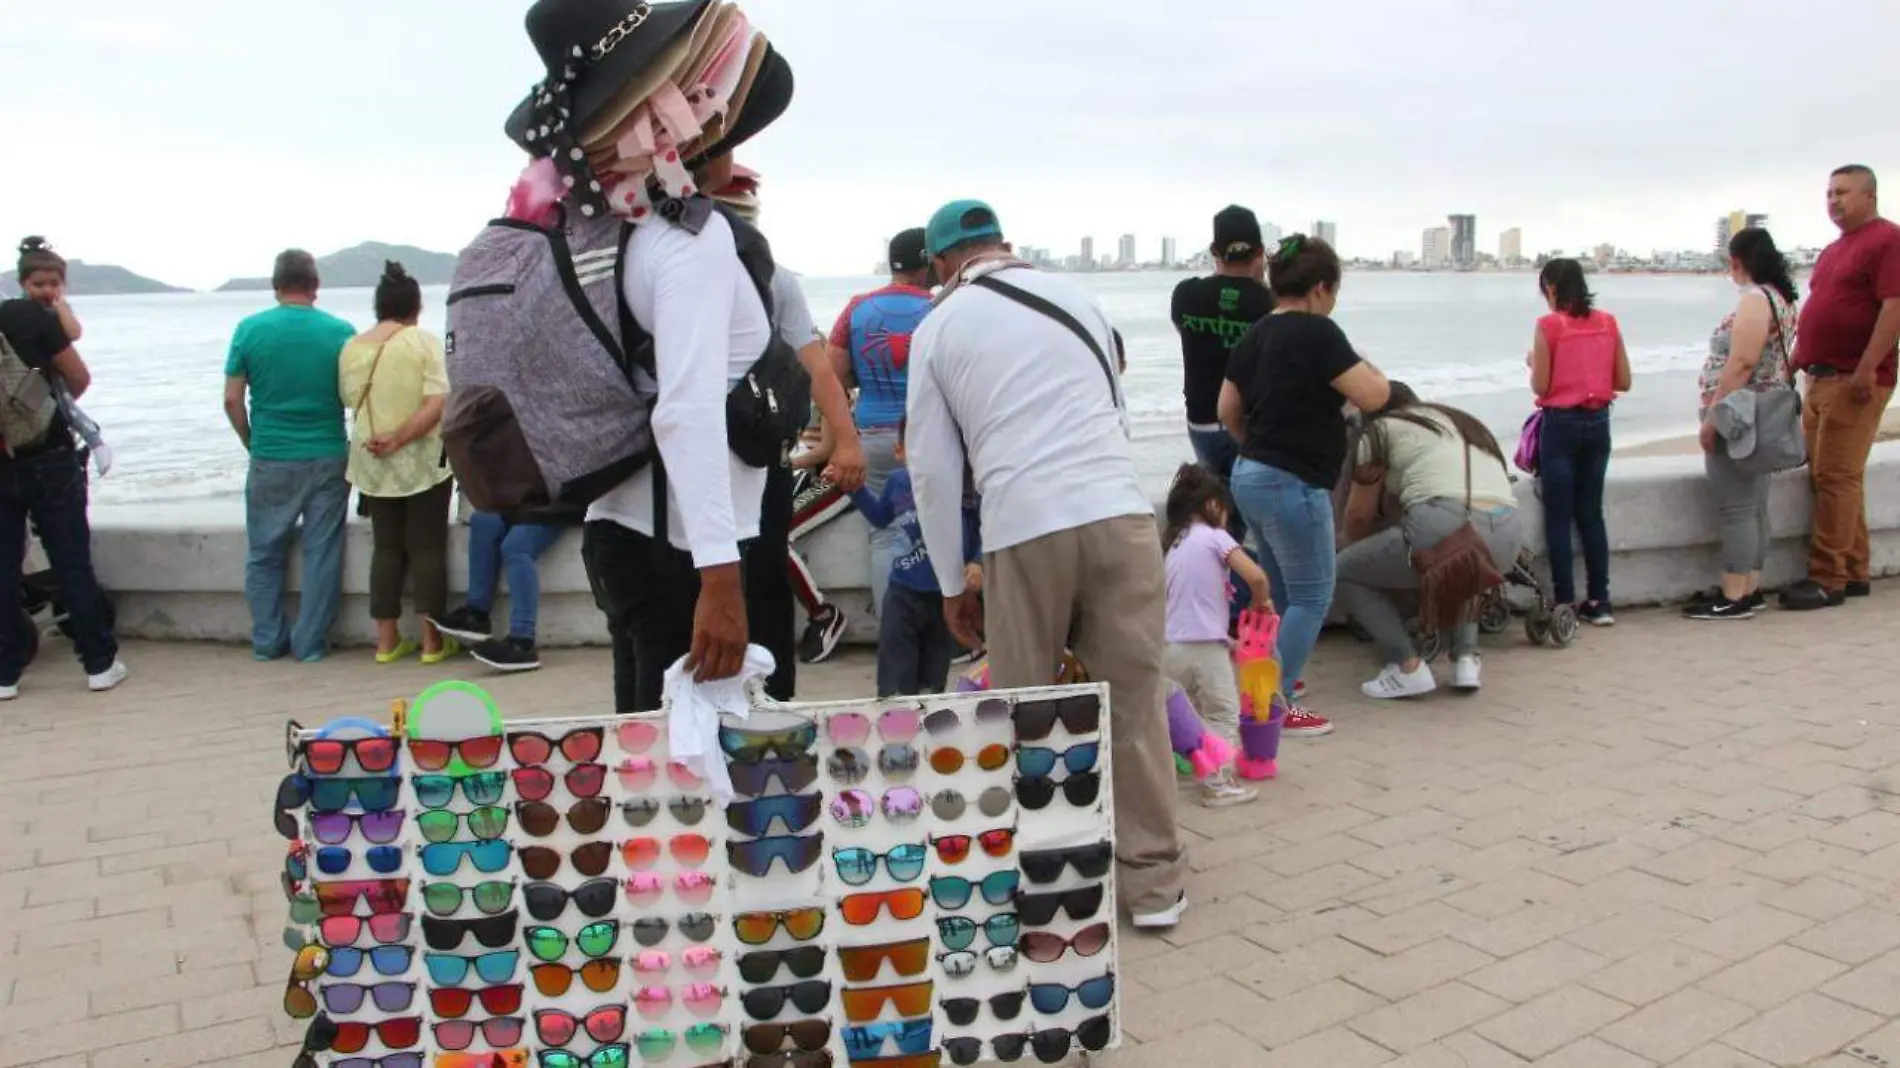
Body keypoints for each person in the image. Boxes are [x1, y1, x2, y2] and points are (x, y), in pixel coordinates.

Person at [499, 0, 797, 712]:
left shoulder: (601, 230)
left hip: (620, 529)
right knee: (705, 786)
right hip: (690, 549)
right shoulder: (687, 239)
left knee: (650, 773)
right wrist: (721, 582)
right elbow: (686, 412)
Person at [907, 198, 1189, 929]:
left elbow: (932, 472)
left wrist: (949, 580)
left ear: (941, 263)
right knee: (1134, 707)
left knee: (1029, 712)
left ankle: (1045, 885)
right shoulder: (1080, 299)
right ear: (1003, 243)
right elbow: (1115, 414)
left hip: (1024, 526)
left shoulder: (938, 326)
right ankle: (1155, 886)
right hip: (1121, 516)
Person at [1219, 234, 1391, 738]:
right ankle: (1275, 702)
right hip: (1292, 480)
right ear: (1321, 288)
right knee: (1314, 594)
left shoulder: (1255, 335)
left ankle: (1259, 687)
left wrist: (1259, 444)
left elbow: (1226, 410)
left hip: (1249, 473)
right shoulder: (1319, 333)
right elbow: (1374, 395)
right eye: (1334, 292)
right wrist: (1366, 362)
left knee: (1278, 594)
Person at [704, 159, 864, 697]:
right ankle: (767, 695)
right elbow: (816, 367)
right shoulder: (776, 278)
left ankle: (767, 694)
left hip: (735, 455)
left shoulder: (773, 280)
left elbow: (818, 367)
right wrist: (846, 439)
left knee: (761, 573)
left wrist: (846, 440)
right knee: (759, 575)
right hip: (747, 453)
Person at [0, 238, 126, 696]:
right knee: (71, 560)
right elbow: (79, 378)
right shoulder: (38, 318)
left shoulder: (8, 312)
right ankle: (98, 664)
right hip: (48, 456)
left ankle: (6, 674)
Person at [1337, 383, 1520, 696]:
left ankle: (1407, 667)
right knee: (1459, 562)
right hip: (1508, 532)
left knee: (1344, 570)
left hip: (1446, 522)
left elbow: (1358, 516)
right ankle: (1465, 661)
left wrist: (1361, 550)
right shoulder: (1462, 422)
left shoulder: (1378, 432)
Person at [223, 249, 355, 662]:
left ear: (275, 284)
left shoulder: (249, 329)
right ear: (315, 286)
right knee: (322, 553)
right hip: (328, 453)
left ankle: (267, 641)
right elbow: (354, 397)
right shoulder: (341, 331)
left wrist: (251, 441)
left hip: (271, 454)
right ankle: (310, 643)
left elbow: (231, 400)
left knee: (264, 553)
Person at [1783, 165, 1900, 611]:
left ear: (1869, 196)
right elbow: (1818, 309)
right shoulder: (1833, 250)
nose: (1833, 200)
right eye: (1829, 192)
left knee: (1835, 477)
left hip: (1855, 379)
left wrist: (1868, 369)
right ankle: (1853, 570)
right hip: (1819, 375)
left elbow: (1894, 307)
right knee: (1834, 477)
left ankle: (1827, 579)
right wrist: (1796, 360)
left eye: (1843, 192)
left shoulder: (1888, 240)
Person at [340, 262, 454, 664]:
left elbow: (349, 402)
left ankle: (386, 643)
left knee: (386, 549)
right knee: (427, 548)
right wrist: (401, 437)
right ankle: (431, 643)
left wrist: (384, 438)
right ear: (416, 307)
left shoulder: (352, 348)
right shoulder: (423, 343)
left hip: (371, 462)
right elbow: (437, 403)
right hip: (422, 462)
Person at [1687, 229, 1801, 621]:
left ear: (1737, 260)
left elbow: (1742, 363)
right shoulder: (1782, 299)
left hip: (1740, 419)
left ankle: (1733, 595)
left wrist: (1714, 418)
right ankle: (1749, 588)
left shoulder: (1755, 300)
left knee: (1737, 508)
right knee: (1754, 508)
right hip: (1763, 416)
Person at [828, 228, 935, 631]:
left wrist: (840, 440)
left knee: (885, 534)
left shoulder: (857, 308)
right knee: (941, 531)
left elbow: (830, 376)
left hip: (870, 433)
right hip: (925, 436)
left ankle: (894, 630)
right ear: (926, 262)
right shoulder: (940, 306)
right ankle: (946, 634)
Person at [1530, 258, 1631, 625]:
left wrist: (1535, 362)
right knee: (1591, 513)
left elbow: (1541, 386)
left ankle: (1565, 601)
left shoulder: (1549, 326)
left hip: (1560, 424)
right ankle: (1600, 600)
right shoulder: (1607, 322)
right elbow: (1623, 380)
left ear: (1552, 287)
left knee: (1558, 515)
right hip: (1599, 420)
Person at [1159, 463, 1266, 808]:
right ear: (1213, 505)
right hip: (1202, 648)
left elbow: (1189, 604)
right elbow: (1257, 578)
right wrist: (1261, 605)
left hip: (1171, 647)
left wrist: (1227, 639)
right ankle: (1217, 782)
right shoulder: (1215, 537)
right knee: (1222, 714)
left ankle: (1185, 767)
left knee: (1182, 715)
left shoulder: (1174, 545)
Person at [850, 419, 980, 697]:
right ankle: (896, 735)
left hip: (946, 599)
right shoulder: (898, 482)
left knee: (931, 686)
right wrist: (855, 489)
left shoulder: (965, 490)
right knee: (894, 689)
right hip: (902, 594)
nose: (928, 457)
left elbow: (982, 529)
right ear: (900, 452)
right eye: (918, 448)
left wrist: (978, 563)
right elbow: (881, 516)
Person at [1171, 206, 1274, 483]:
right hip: (1247, 425)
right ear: (1259, 252)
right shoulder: (1269, 303)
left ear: (1214, 251)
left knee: (1219, 502)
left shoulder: (1185, 295)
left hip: (1201, 423)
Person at [433, 506, 571, 671]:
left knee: (516, 546)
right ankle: (476, 615)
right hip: (522, 500)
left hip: (559, 504)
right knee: (483, 519)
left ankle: (523, 642)